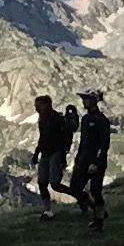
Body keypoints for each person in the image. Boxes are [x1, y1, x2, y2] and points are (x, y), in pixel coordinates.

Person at [68, 90, 112, 231]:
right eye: (83, 99)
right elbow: (83, 142)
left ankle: (98, 221)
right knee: (75, 187)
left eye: (86, 99)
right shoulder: (85, 119)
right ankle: (97, 210)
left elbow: (104, 145)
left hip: (96, 161)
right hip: (83, 159)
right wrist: (78, 158)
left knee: (96, 190)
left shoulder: (102, 120)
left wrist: (96, 162)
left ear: (94, 100)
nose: (83, 101)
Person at [32, 92, 70, 215]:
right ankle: (47, 211)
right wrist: (36, 153)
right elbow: (42, 137)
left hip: (56, 153)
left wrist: (63, 157)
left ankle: (80, 196)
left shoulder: (56, 119)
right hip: (45, 154)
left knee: (54, 184)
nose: (36, 109)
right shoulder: (42, 120)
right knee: (42, 183)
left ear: (46, 105)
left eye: (38, 106)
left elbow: (64, 138)